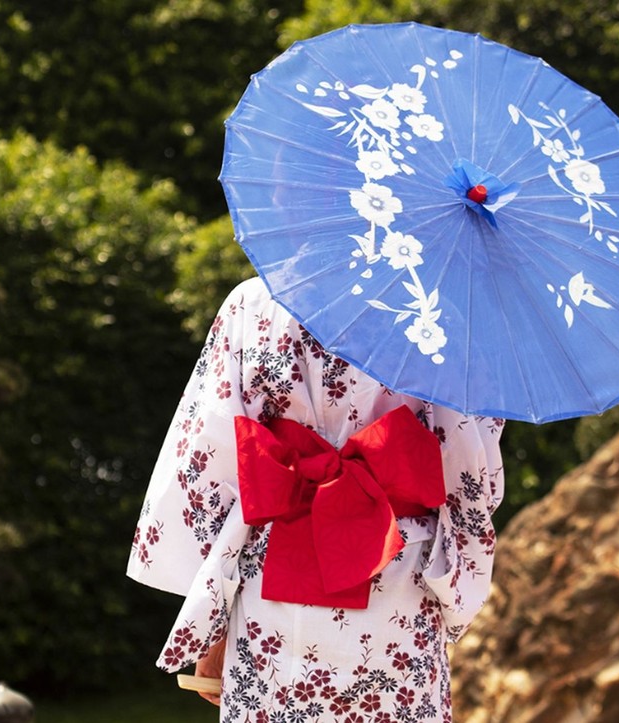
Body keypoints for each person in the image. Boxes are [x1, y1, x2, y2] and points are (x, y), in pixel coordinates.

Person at [127, 276, 504, 722]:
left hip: (271, 569)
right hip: (399, 571)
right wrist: (459, 578)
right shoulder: (444, 315)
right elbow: (470, 470)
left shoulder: (257, 300)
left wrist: (212, 623)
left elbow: (211, 460)